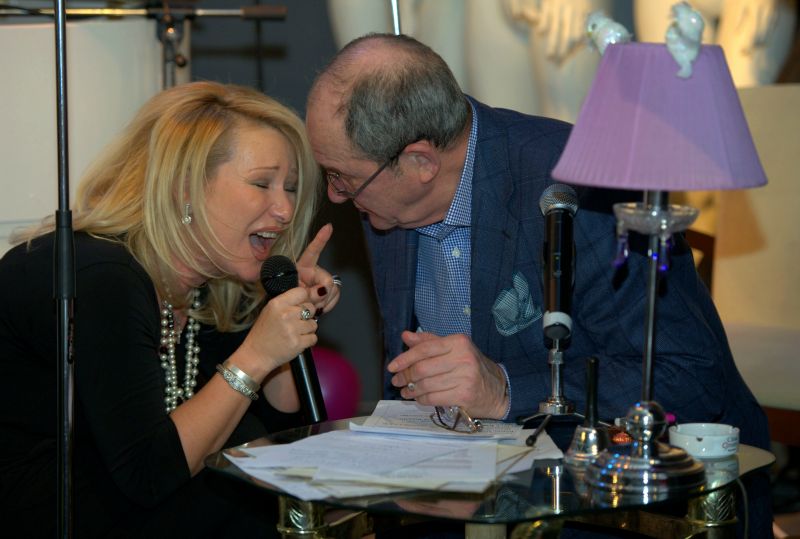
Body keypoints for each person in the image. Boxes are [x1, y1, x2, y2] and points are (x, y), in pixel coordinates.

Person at [305, 33, 772, 536]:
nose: (336, 194)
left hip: (611, 500)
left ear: (421, 162)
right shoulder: (386, 201)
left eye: (343, 178)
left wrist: (506, 390)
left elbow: (688, 375)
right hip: (459, 489)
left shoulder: (583, 186)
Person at [0, 81, 340, 537]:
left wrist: (288, 319)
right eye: (262, 183)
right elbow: (149, 472)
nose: (284, 209)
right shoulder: (101, 276)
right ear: (185, 187)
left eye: (291, 188)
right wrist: (256, 356)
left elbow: (278, 426)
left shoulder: (208, 286)